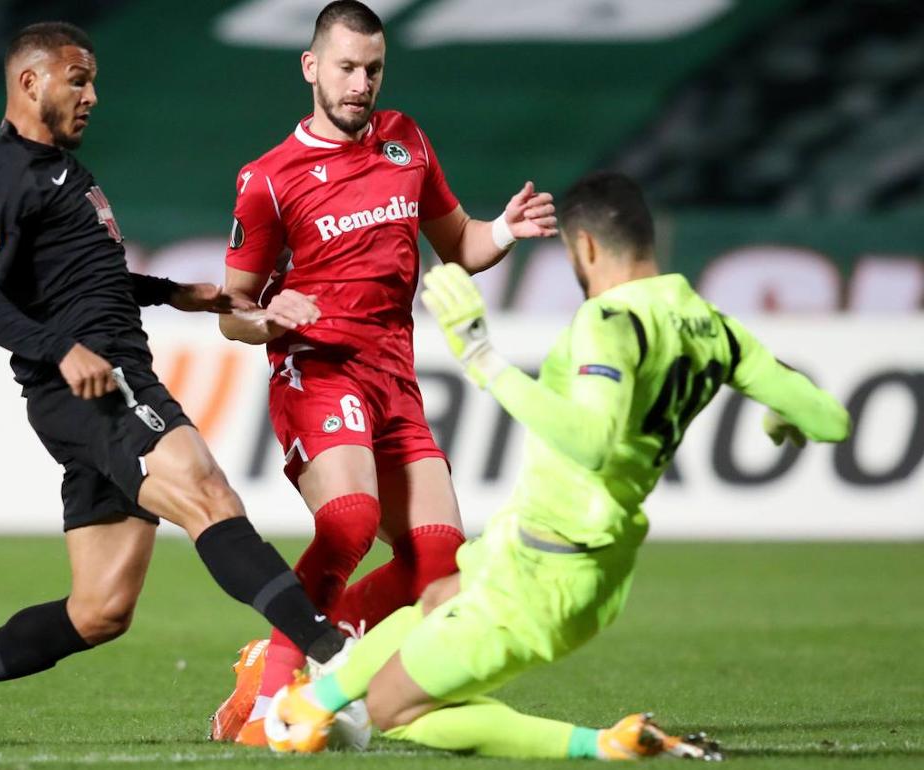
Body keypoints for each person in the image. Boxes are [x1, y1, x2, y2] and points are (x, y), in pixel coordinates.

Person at [0, 21, 350, 748]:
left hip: (99, 386)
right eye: (77, 80)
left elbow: (80, 278)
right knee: (207, 493)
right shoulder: (8, 172)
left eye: (93, 82)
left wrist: (173, 293)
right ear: (30, 83)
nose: (92, 96)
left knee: (100, 610)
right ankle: (330, 655)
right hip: (98, 388)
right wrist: (61, 350)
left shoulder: (55, 171)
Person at [267, 171, 852, 760]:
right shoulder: (714, 326)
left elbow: (593, 442)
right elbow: (830, 420)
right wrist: (783, 413)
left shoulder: (610, 321)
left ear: (585, 247)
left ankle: (603, 745)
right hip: (563, 550)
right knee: (439, 595)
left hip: (550, 570)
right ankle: (317, 697)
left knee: (394, 710)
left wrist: (483, 359)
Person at [209, 1, 559, 745]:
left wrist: (504, 230)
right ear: (311, 67)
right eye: (346, 67)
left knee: (438, 565)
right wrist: (269, 316)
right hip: (317, 371)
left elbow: (459, 243)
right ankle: (269, 707)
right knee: (349, 520)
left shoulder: (406, 142)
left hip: (393, 379)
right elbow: (231, 312)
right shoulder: (269, 179)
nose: (360, 84)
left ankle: (293, 656)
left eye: (373, 69)